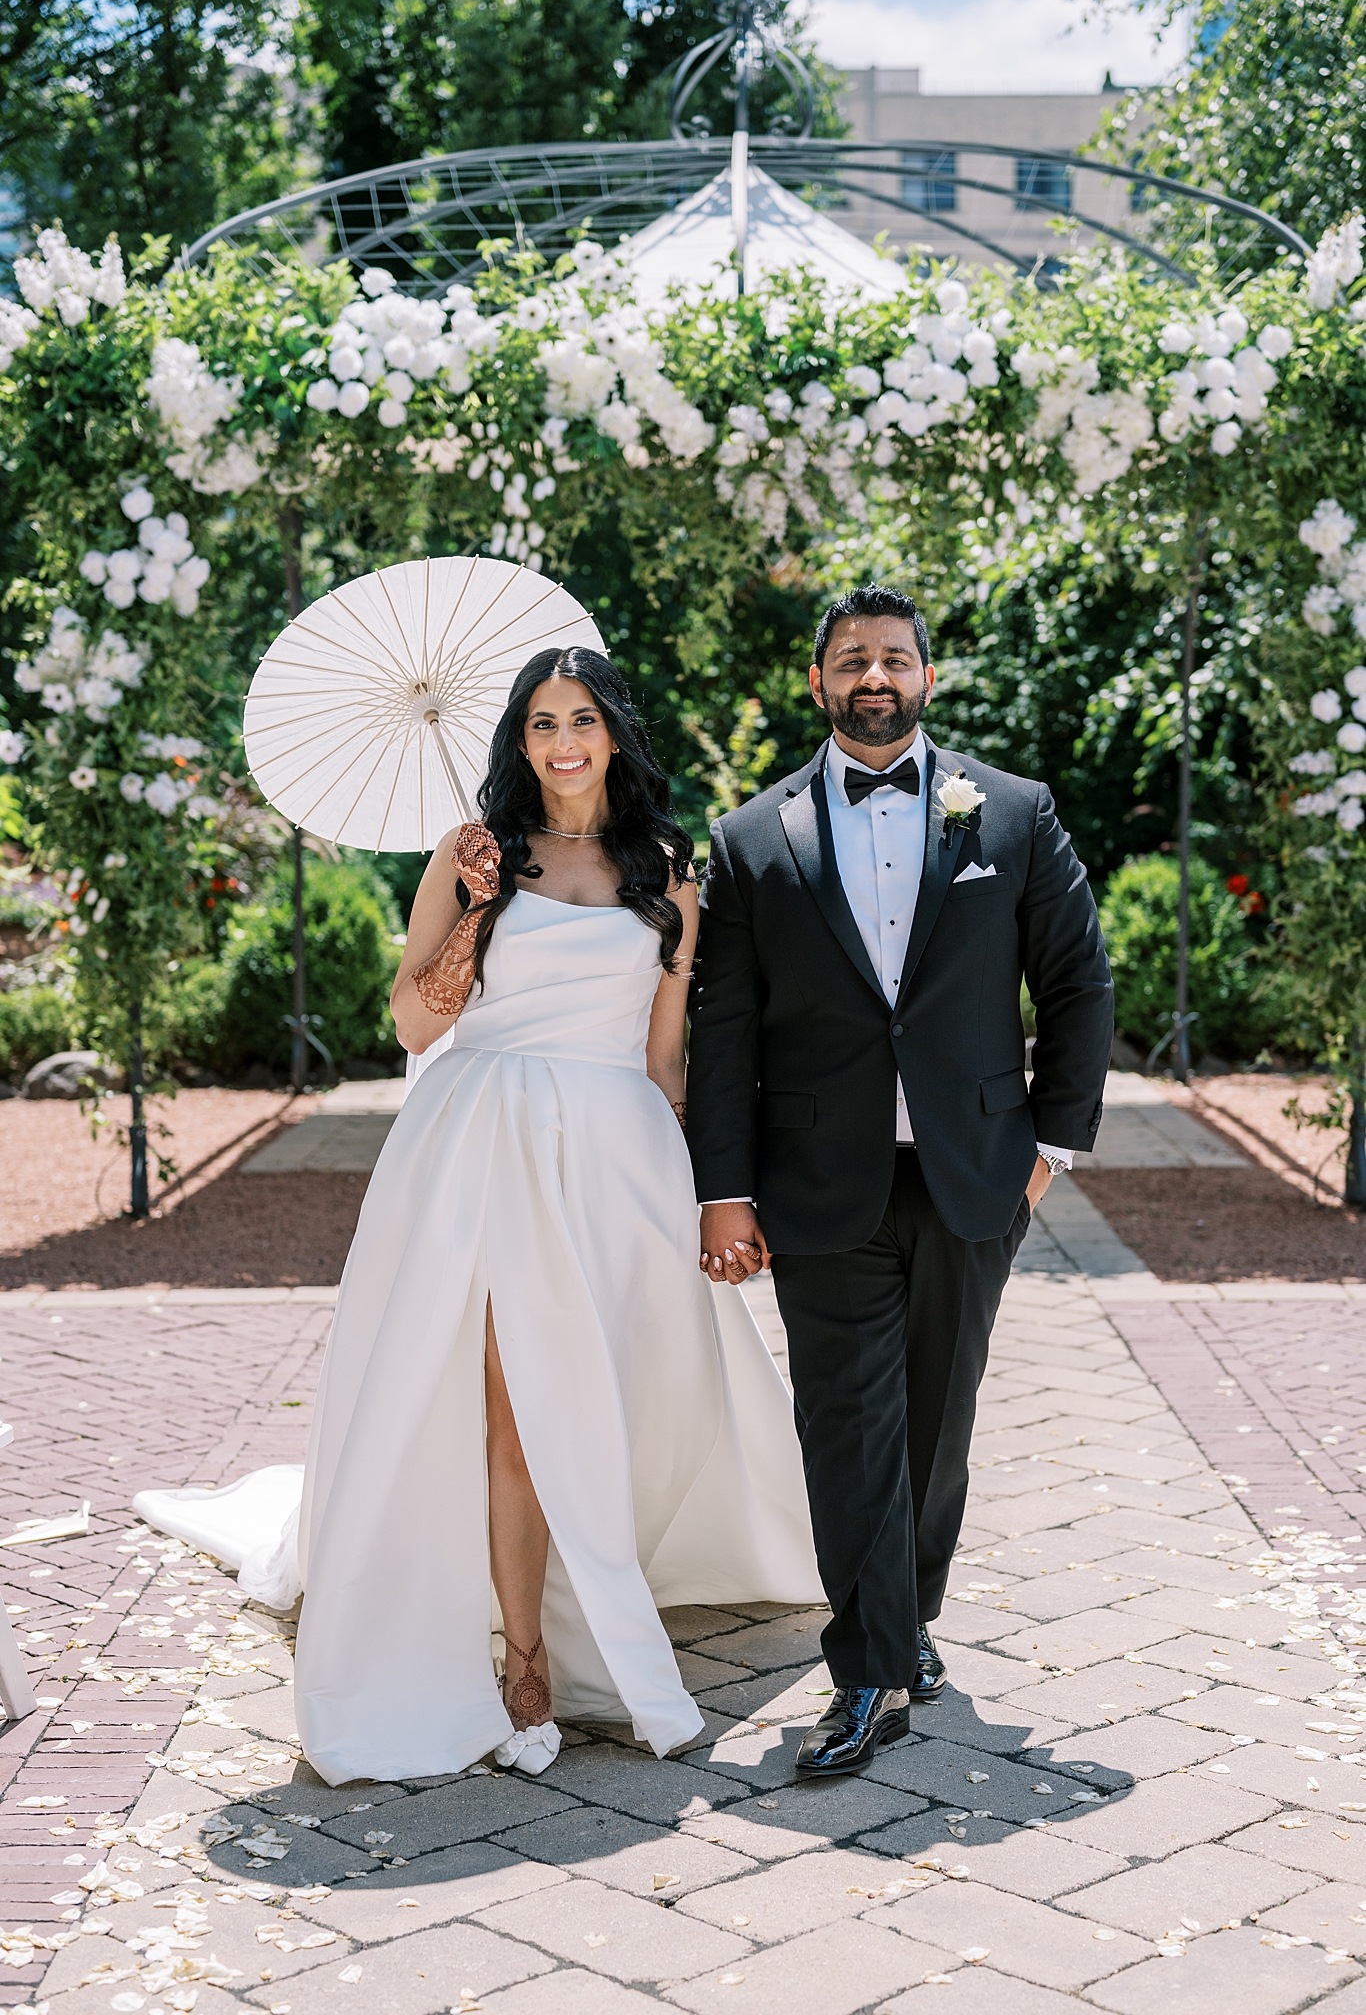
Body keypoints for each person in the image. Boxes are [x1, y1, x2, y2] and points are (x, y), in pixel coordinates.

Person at [137, 644, 820, 1787]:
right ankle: (528, 1658)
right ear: (518, 738)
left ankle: (595, 1587)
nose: (562, 742)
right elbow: (414, 1021)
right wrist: (478, 910)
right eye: (541, 722)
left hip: (618, 1159)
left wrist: (708, 1193)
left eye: (583, 720)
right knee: (515, 1412)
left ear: (613, 733)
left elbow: (665, 1058)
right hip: (486, 1142)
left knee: (611, 1399)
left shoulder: (665, 865)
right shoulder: (470, 855)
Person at [685, 585, 1113, 1779]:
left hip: (975, 1172)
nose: (873, 677)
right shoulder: (749, 838)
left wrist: (1052, 1149)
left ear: (927, 675)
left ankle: (907, 1611)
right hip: (816, 1180)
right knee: (847, 1422)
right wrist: (722, 1188)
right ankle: (867, 1666)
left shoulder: (1012, 813)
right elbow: (724, 1033)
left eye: (893, 658)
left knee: (939, 1419)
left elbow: (1077, 980)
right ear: (815, 682)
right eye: (850, 659)